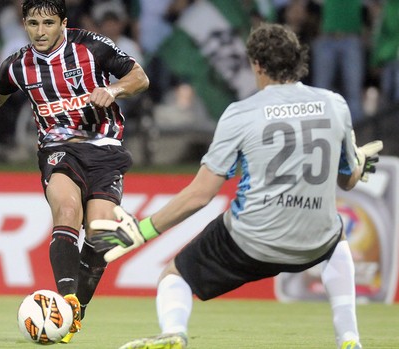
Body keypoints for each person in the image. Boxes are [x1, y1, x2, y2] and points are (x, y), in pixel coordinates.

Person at [90, 23, 383, 349]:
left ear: (256, 64)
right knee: (336, 239)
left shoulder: (241, 113)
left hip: (252, 239)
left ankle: (174, 332)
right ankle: (349, 338)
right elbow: (348, 179)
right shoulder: (335, 105)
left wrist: (142, 231)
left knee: (176, 275)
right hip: (313, 238)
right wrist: (357, 164)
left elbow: (200, 195)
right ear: (298, 60)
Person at [0, 0, 149, 344]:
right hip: (58, 149)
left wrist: (113, 89)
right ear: (24, 24)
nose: (40, 31)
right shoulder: (18, 64)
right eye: (32, 23)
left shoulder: (92, 47)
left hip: (105, 149)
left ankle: (77, 309)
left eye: (47, 23)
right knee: (67, 210)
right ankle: (67, 299)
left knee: (101, 235)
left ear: (63, 22)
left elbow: (139, 77)